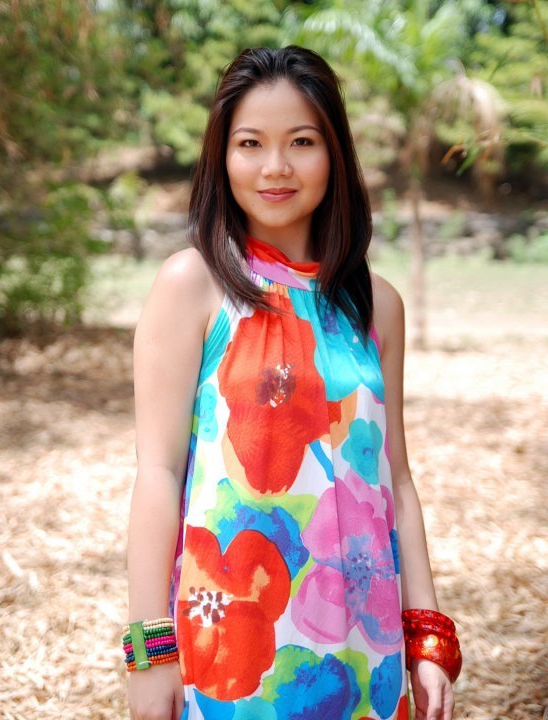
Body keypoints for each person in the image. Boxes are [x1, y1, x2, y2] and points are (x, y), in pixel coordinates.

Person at [125, 46, 461, 720]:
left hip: (368, 649)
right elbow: (158, 471)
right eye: (250, 143)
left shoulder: (377, 305)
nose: (275, 166)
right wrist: (149, 651)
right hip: (234, 655)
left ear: (334, 154)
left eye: (301, 142)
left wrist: (427, 634)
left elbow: (395, 478)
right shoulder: (192, 286)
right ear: (222, 157)